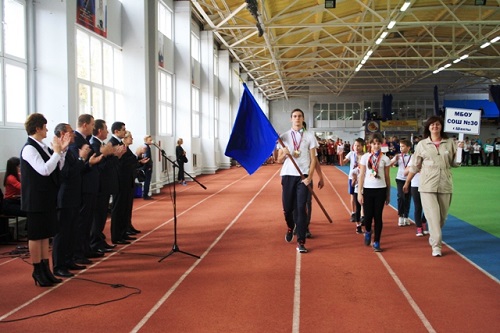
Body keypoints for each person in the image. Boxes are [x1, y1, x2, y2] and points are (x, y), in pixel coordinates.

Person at [20, 113, 71, 287]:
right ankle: (37, 270)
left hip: (46, 197)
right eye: (45, 127)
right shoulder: (29, 148)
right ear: (37, 128)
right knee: (36, 235)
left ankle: (45, 267)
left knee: (44, 235)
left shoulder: (42, 147)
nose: (47, 130)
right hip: (35, 198)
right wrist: (57, 153)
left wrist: (61, 152)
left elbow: (57, 167)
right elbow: (43, 170)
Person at [403, 115, 462, 257]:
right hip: (427, 185)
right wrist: (407, 181)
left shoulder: (450, 143)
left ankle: (434, 235)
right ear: (428, 127)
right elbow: (416, 166)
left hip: (445, 184)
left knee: (442, 217)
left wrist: (460, 150)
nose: (435, 127)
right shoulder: (422, 144)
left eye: (437, 124)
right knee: (433, 217)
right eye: (432, 125)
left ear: (441, 126)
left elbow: (456, 164)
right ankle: (436, 245)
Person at [277, 108, 317, 253]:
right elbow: (278, 160)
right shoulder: (284, 137)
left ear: (303, 118)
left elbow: (313, 159)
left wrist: (310, 177)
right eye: (294, 116)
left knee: (301, 209)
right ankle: (290, 226)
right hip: (288, 175)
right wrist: (285, 154)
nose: (297, 118)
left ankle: (301, 241)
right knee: (288, 209)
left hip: (303, 177)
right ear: (291, 119)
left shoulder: (310, 136)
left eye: (299, 116)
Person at [52, 123, 89, 278]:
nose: (73, 134)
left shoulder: (69, 151)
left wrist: (82, 160)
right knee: (62, 232)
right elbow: (66, 173)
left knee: (72, 230)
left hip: (74, 196)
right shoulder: (59, 152)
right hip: (64, 197)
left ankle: (68, 259)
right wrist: (82, 159)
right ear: (62, 134)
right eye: (70, 132)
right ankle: (58, 265)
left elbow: (77, 171)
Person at [357, 133, 391, 252]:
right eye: (374, 143)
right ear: (370, 144)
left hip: (380, 190)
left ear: (381, 144)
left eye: (378, 143)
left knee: (378, 216)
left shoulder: (385, 159)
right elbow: (361, 175)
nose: (376, 146)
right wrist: (360, 193)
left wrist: (388, 193)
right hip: (368, 189)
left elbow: (387, 177)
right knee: (367, 216)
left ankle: (377, 241)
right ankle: (367, 231)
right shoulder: (365, 157)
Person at [390, 139, 412, 227]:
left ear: (408, 147)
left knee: (408, 198)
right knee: (401, 197)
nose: (401, 148)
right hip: (400, 179)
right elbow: (390, 163)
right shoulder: (398, 156)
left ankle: (406, 216)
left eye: (403, 146)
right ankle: (400, 216)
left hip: (410, 180)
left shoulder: (412, 157)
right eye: (400, 146)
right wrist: (393, 160)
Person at [343, 138, 365, 224]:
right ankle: (353, 213)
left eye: (358, 146)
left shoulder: (365, 155)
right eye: (355, 145)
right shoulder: (351, 154)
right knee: (353, 196)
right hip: (352, 177)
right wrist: (341, 157)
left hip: (362, 178)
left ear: (362, 146)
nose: (356, 147)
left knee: (362, 197)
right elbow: (343, 163)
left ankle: (362, 215)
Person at [141, 135, 154, 199]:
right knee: (147, 180)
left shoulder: (147, 147)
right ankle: (145, 195)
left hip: (147, 165)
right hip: (147, 166)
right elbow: (146, 157)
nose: (151, 141)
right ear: (146, 140)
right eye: (150, 140)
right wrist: (148, 166)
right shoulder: (146, 147)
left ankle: (145, 194)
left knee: (147, 180)